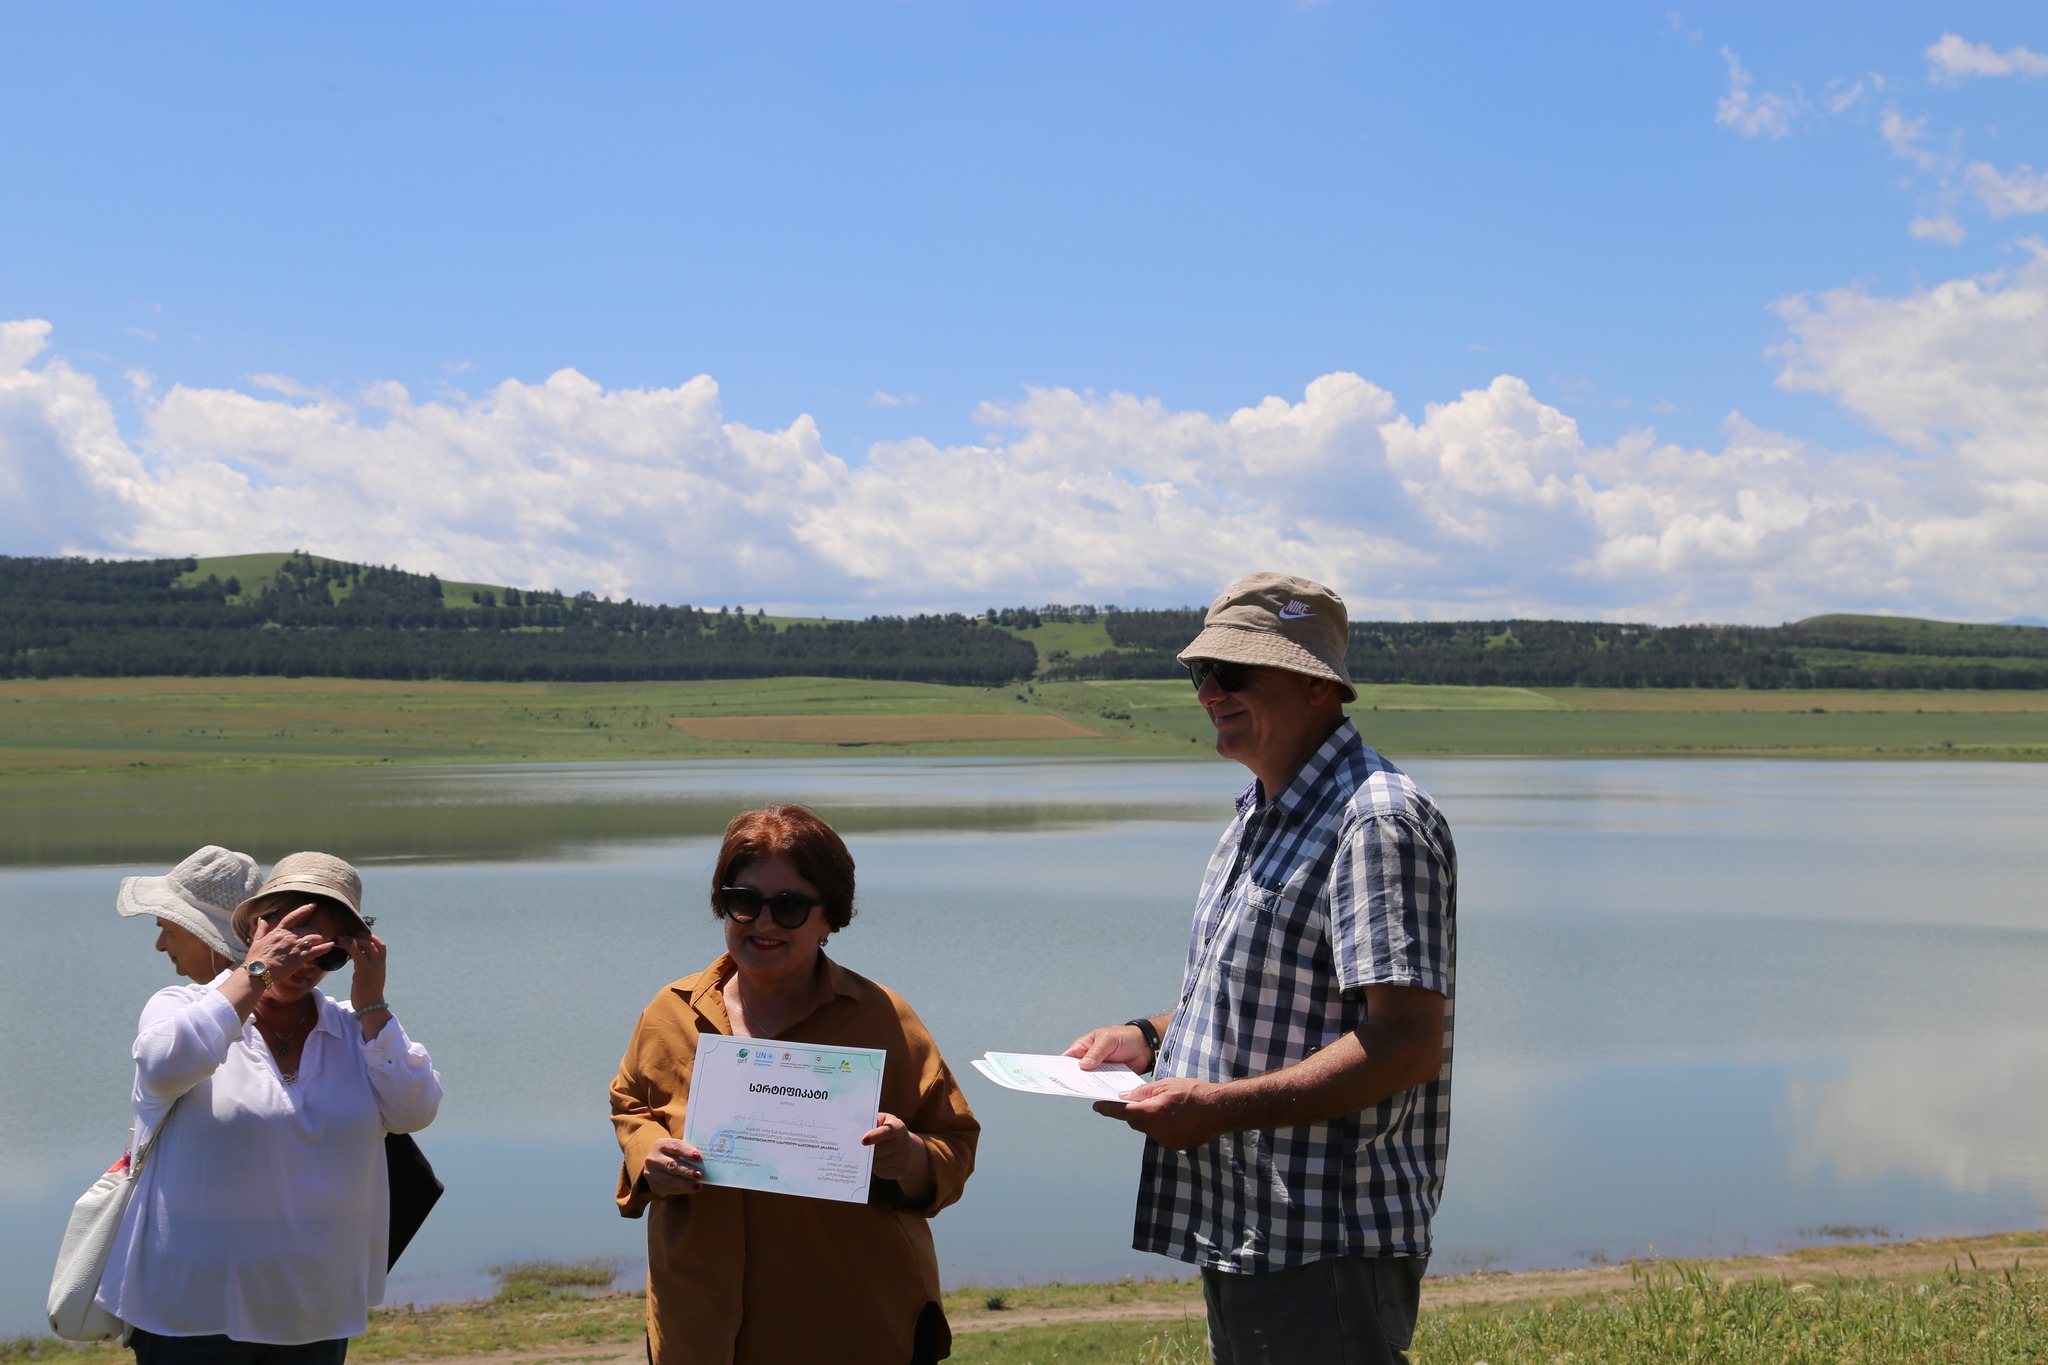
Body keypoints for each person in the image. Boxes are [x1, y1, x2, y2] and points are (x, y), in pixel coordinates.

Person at [1065, 572, 1457, 1365]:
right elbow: (1265, 994)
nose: (1210, 692)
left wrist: (1215, 1107)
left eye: (1234, 671)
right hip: (1253, 1225)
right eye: (1199, 672)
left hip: (1323, 1240)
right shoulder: (1263, 811)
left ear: (1316, 682)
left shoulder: (1374, 820)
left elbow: (1406, 1043)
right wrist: (1149, 1036)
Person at [611, 805, 980, 1365]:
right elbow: (629, 1102)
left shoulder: (883, 1019)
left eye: (789, 907)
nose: (763, 923)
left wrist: (909, 1156)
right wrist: (648, 1156)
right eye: (744, 901)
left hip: (851, 1327)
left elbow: (955, 1143)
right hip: (698, 1328)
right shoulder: (671, 1012)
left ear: (829, 918)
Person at [96, 852, 443, 1362]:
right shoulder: (183, 1007)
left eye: (326, 954)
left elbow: (415, 1110)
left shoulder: (358, 1030)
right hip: (189, 1310)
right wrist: (257, 972)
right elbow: (163, 1065)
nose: (304, 965)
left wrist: (372, 1003)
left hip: (313, 1310)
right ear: (254, 931)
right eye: (291, 944)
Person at [114, 845, 260, 983]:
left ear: (207, 939)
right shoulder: (265, 990)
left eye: (168, 931)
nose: (160, 945)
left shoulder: (184, 1000)